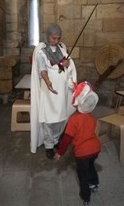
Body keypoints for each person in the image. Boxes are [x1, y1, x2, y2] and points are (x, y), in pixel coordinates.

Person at [30, 23, 77, 158]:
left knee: (60, 118)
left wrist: (67, 64)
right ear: (48, 36)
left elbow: (66, 65)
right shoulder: (41, 51)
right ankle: (49, 145)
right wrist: (48, 82)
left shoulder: (62, 49)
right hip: (49, 92)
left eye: (58, 38)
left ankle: (56, 140)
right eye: (53, 38)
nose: (56, 41)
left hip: (61, 92)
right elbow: (42, 70)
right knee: (50, 120)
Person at [54, 81, 101, 206]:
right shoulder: (92, 118)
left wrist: (59, 153)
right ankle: (95, 184)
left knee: (83, 174)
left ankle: (86, 197)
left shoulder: (73, 120)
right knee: (91, 166)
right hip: (95, 149)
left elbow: (66, 139)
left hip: (82, 153)